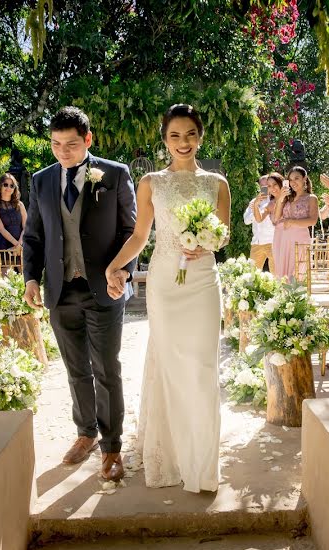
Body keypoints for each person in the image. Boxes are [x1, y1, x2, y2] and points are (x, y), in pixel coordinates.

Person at [105, 104, 230, 493]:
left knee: (203, 367)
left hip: (204, 280)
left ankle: (203, 464)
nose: (183, 142)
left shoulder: (217, 184)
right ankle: (173, 454)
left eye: (190, 134)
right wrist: (114, 266)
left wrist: (208, 240)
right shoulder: (151, 182)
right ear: (164, 141)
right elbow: (141, 236)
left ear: (201, 137)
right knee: (172, 364)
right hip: (165, 281)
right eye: (175, 135)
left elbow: (225, 234)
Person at [22, 106, 137, 482]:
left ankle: (112, 448)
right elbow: (34, 236)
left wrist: (123, 271)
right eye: (56, 144)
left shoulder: (115, 175)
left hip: (104, 289)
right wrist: (30, 278)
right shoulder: (40, 181)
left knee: (107, 370)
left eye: (71, 144)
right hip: (60, 290)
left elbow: (130, 232)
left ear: (88, 140)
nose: (63, 151)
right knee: (75, 371)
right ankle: (85, 433)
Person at [271, 166, 317, 281]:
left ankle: (297, 298)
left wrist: (291, 221)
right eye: (290, 180)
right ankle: (284, 298)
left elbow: (313, 220)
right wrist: (281, 198)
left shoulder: (311, 198)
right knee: (283, 275)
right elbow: (275, 218)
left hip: (300, 238)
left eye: (296, 178)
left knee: (297, 273)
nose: (293, 182)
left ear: (304, 178)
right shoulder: (286, 198)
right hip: (283, 239)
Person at [243, 173, 279, 270]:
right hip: (257, 243)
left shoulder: (275, 200)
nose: (265, 188)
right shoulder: (254, 201)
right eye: (262, 186)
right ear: (259, 187)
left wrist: (258, 209)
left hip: (272, 242)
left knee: (276, 274)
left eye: (267, 185)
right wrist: (256, 207)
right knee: (252, 274)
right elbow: (246, 221)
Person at [0, 173, 27, 250]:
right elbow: (1, 229)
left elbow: (26, 227)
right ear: (0, 186)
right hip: (4, 246)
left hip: (22, 245)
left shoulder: (20, 204)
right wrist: (17, 245)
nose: (8, 188)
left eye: (12, 186)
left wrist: (19, 245)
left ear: (14, 188)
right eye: (5, 185)